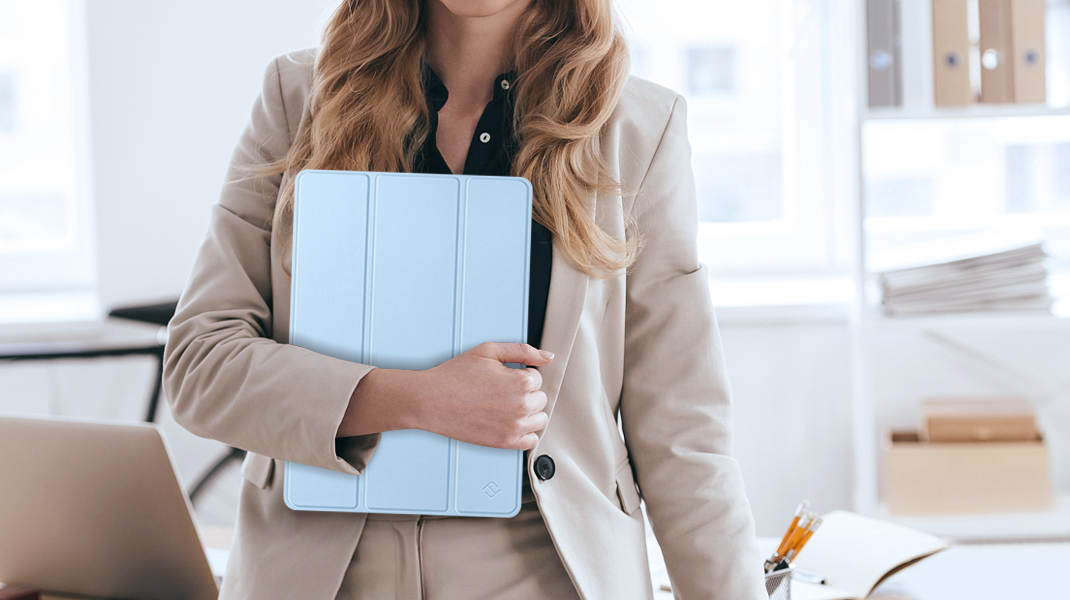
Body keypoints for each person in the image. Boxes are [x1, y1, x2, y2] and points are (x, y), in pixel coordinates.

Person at [163, 0, 766, 598]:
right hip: (321, 573)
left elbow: (684, 439)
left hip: (542, 572)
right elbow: (199, 364)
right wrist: (415, 399)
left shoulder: (640, 128)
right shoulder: (296, 98)